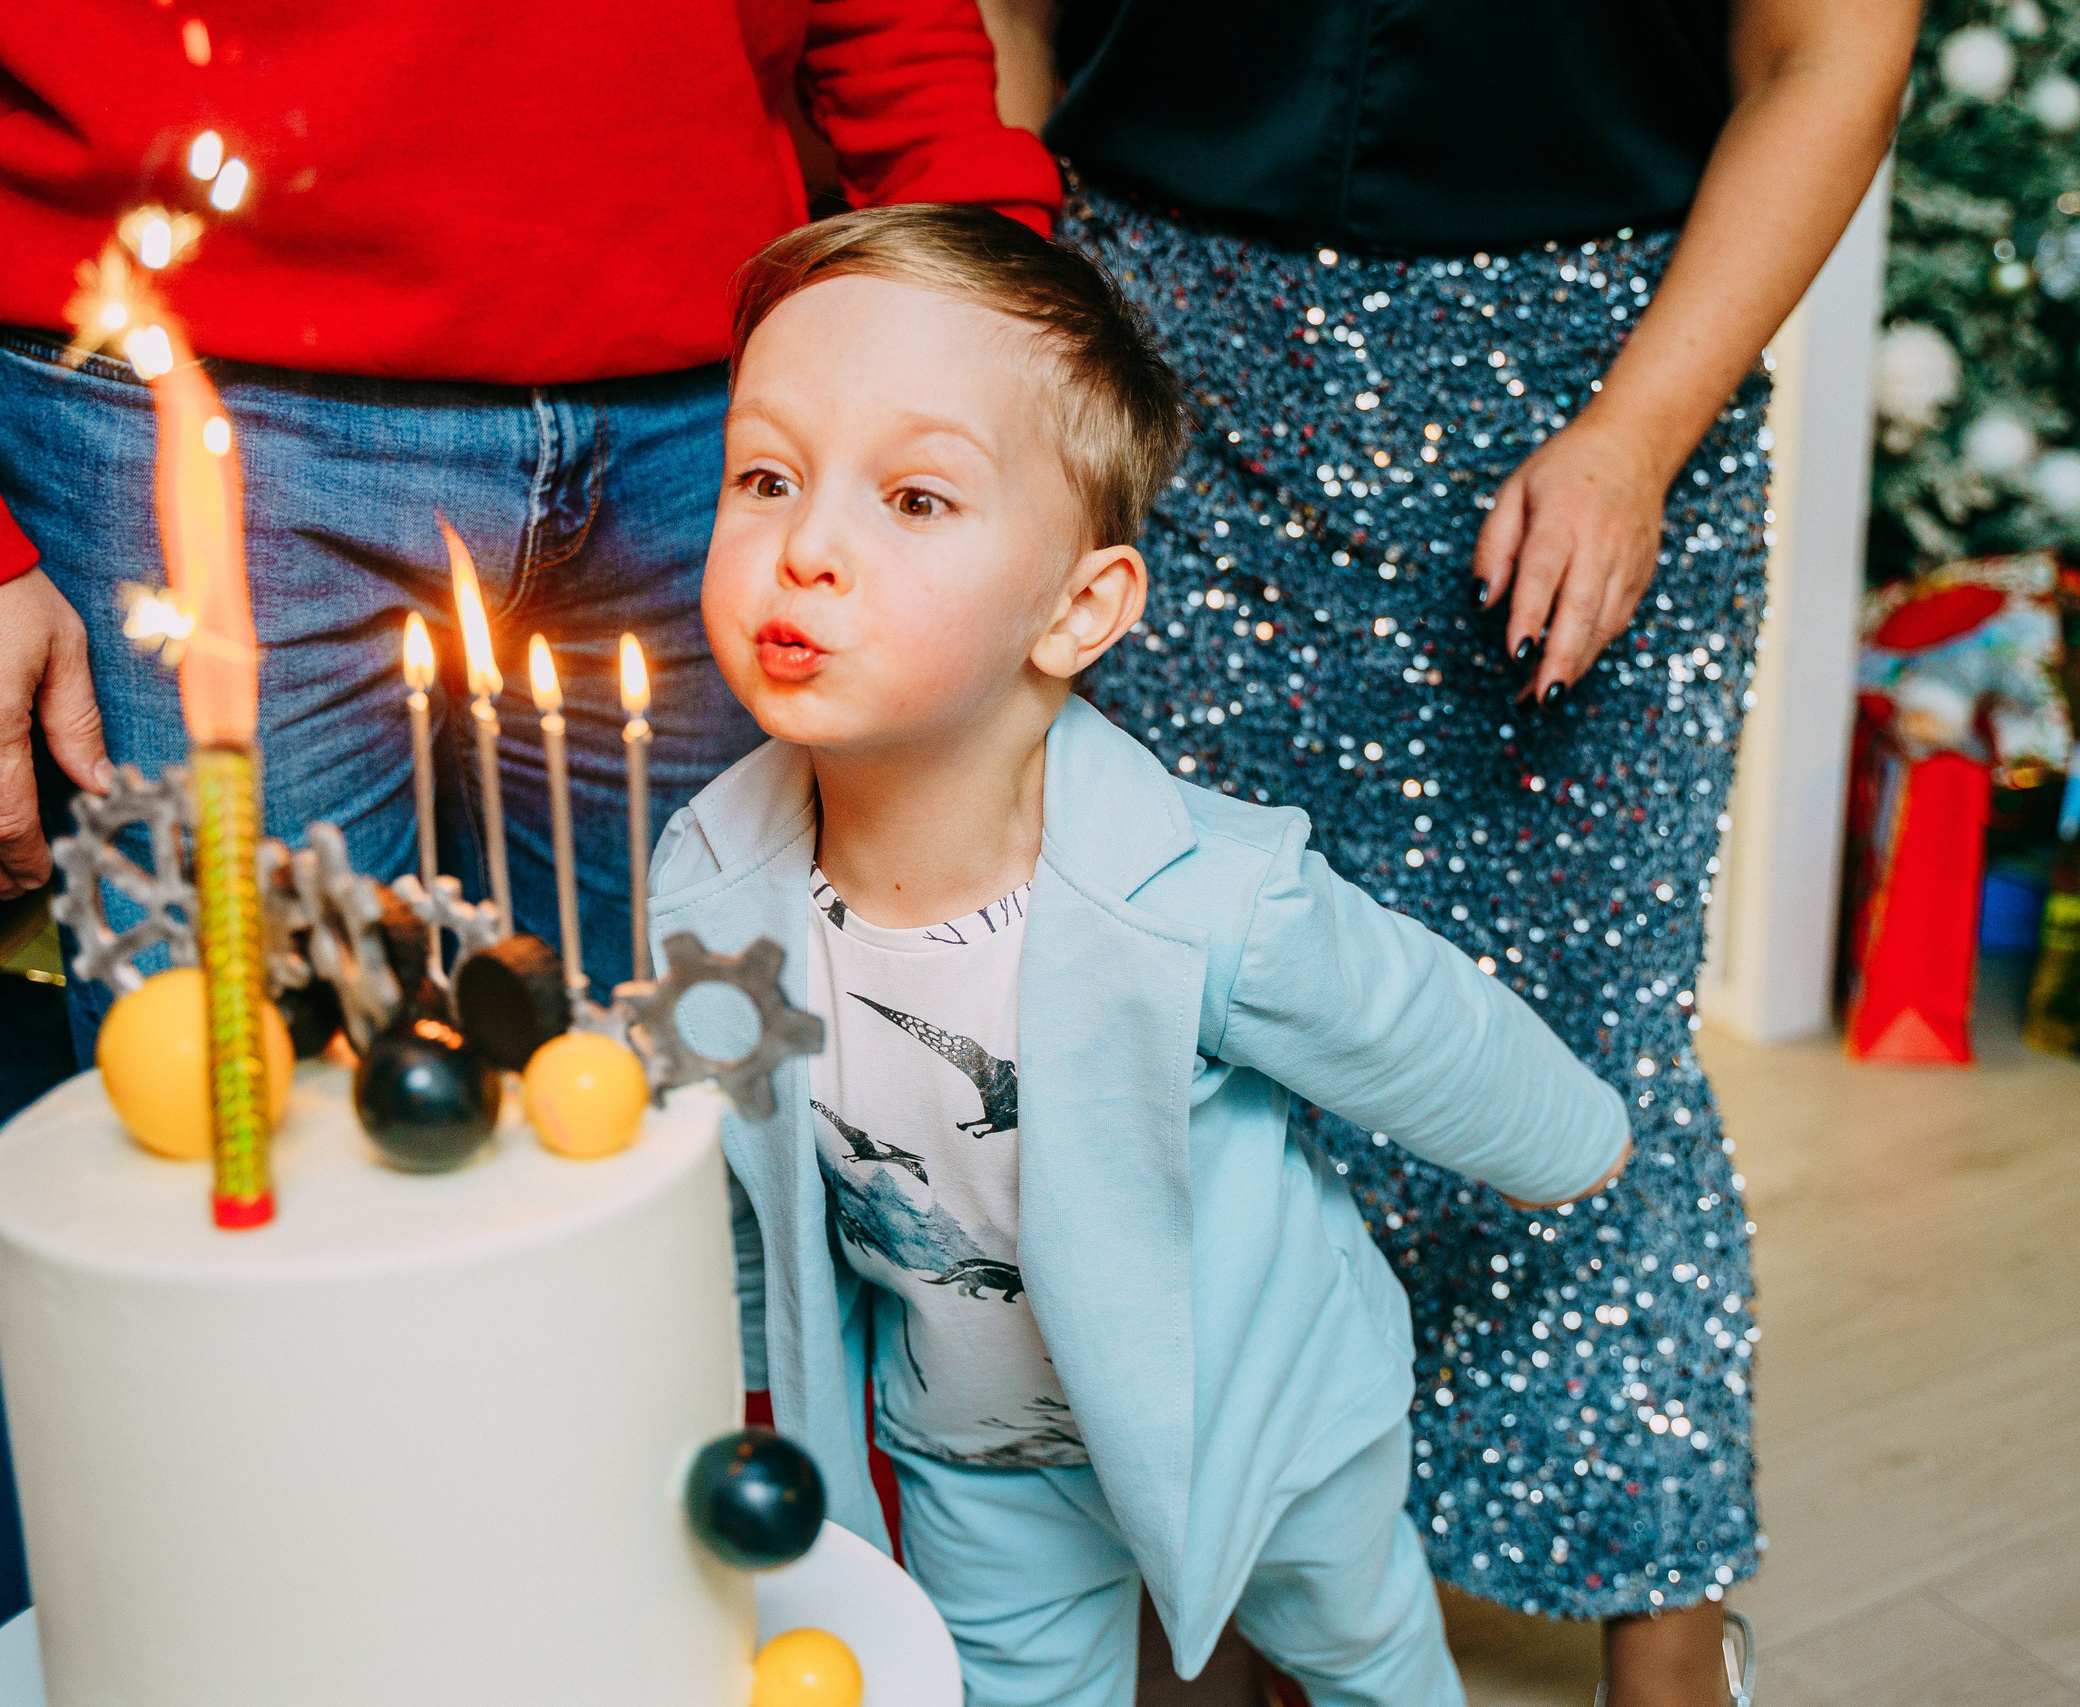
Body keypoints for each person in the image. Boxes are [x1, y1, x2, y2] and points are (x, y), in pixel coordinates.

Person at [977, 0, 1917, 1699]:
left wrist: (1638, 436)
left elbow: (1831, 53)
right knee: (1189, 1029)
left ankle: (1668, 1627)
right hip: (1164, 368)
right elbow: (1007, 23)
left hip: (1595, 371)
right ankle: (1235, 1577)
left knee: (1592, 1033)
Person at [0, 0, 1056, 1049]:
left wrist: (985, 288)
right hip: (178, 418)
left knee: (715, 1129)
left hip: (718, 401)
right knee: (259, 1160)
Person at [652, 204, 1631, 1707]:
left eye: (915, 498)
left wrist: (1568, 1143)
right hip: (975, 1445)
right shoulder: (710, 883)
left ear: (1078, 608)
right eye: (767, 478)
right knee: (1011, 1688)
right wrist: (729, 1354)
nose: (808, 549)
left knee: (1360, 1649)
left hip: (1262, 1419)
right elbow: (739, 1165)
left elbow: (1405, 1014)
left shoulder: (1200, 898)